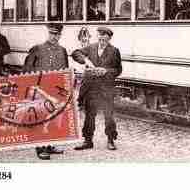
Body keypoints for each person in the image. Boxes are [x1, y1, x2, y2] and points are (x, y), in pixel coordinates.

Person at [72, 27, 122, 151]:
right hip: (91, 88)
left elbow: (118, 70)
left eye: (105, 38)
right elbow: (75, 53)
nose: (102, 40)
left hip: (106, 88)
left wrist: (106, 71)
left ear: (109, 38)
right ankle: (88, 141)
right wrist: (86, 60)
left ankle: (111, 140)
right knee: (89, 115)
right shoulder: (91, 48)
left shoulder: (114, 51)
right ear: (98, 37)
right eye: (100, 37)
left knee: (108, 115)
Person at [23, 23, 68, 160]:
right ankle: (40, 148)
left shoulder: (62, 51)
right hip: (40, 89)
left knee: (53, 118)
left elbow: (64, 71)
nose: (55, 37)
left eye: (57, 34)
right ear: (48, 33)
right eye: (52, 34)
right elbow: (26, 70)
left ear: (60, 35)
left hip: (54, 90)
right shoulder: (37, 49)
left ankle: (50, 145)